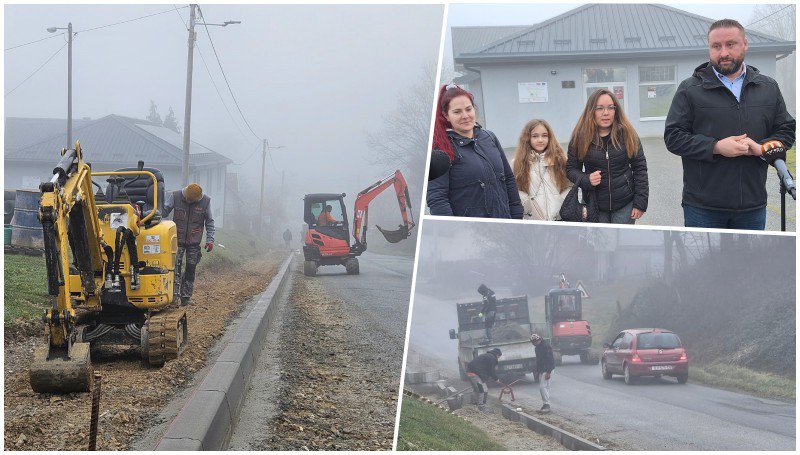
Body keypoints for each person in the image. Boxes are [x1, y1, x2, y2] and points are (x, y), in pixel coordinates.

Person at [664, 19, 795, 230]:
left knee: (748, 264)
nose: (723, 52)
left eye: (730, 44)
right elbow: (673, 137)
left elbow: (786, 131)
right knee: (705, 264)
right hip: (702, 208)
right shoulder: (690, 89)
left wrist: (761, 148)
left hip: (752, 206)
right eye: (716, 46)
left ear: (745, 44)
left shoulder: (768, 87)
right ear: (709, 49)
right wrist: (715, 147)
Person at [427, 84, 523, 219]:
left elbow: (508, 179)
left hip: (504, 225)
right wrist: (453, 230)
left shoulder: (490, 138)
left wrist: (517, 215)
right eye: (457, 112)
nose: (465, 115)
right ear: (446, 115)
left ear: (474, 109)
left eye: (468, 109)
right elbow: (437, 198)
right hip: (471, 232)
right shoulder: (440, 149)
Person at [566, 89, 649, 224]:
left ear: (616, 110)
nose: (606, 113)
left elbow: (640, 168)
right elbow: (570, 169)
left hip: (625, 203)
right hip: (594, 204)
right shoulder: (579, 137)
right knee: (600, 244)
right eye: (600, 108)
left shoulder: (628, 134)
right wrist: (586, 179)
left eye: (610, 108)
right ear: (591, 110)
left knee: (623, 243)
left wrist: (640, 202)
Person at [163, 183, 214, 306]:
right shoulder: (175, 196)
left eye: (190, 201)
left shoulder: (205, 202)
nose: (187, 201)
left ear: (197, 199)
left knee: (191, 269)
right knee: (175, 269)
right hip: (177, 241)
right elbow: (163, 212)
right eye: (186, 199)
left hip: (194, 243)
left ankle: (186, 298)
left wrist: (210, 240)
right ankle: (173, 297)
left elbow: (210, 221)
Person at [512, 119, 572, 220]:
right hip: (533, 221)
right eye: (535, 136)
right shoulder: (516, 163)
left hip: (560, 218)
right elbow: (513, 189)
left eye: (544, 135)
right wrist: (527, 203)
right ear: (527, 138)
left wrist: (561, 203)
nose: (540, 140)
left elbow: (570, 186)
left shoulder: (561, 159)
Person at [466, 348, 502, 412]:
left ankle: (476, 404)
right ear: (497, 355)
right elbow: (491, 371)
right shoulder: (492, 358)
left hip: (473, 372)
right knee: (481, 389)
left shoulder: (487, 356)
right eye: (499, 357)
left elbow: (485, 369)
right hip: (473, 373)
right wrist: (496, 379)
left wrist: (485, 378)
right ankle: (480, 406)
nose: (498, 358)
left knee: (482, 389)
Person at [530, 334, 555, 414]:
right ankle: (545, 405)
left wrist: (548, 372)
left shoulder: (546, 347)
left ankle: (547, 405)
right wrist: (537, 371)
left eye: (535, 342)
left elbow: (550, 359)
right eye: (532, 342)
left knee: (542, 387)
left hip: (547, 369)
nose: (534, 343)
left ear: (539, 340)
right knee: (545, 388)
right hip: (541, 370)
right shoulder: (537, 348)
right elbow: (538, 360)